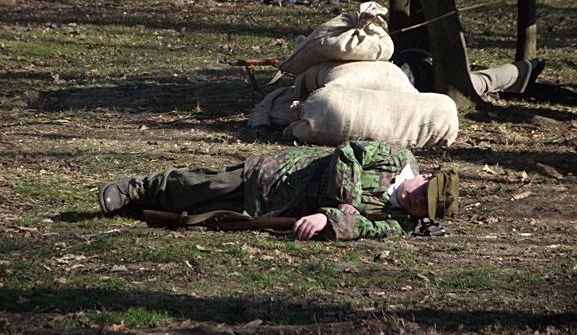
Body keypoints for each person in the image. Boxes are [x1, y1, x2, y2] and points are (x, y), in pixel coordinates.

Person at [99, 141, 459, 241]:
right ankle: (140, 188)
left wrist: (327, 218)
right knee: (208, 184)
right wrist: (347, 202)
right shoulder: (397, 157)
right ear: (425, 174)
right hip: (285, 172)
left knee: (217, 209)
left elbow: (367, 227)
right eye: (421, 192)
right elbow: (348, 154)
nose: (414, 201)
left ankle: (140, 207)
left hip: (290, 208)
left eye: (420, 207)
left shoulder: (403, 222)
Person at [391, 48, 546, 97]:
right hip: (414, 73)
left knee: (480, 82)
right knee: (482, 82)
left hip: (417, 73)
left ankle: (521, 72)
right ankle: (519, 74)